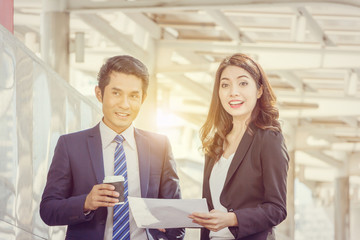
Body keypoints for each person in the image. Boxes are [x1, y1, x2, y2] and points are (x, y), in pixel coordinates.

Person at [40, 55, 185, 240]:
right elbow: (48, 210)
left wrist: (170, 231)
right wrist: (86, 202)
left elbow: (177, 216)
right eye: (116, 93)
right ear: (99, 94)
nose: (125, 104)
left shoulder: (160, 146)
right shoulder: (71, 146)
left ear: (143, 98)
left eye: (133, 96)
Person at [189, 53, 289, 240]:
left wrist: (232, 219)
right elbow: (210, 207)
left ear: (259, 91)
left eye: (243, 83)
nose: (233, 92)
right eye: (225, 85)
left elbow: (277, 209)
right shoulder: (215, 142)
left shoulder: (269, 139)